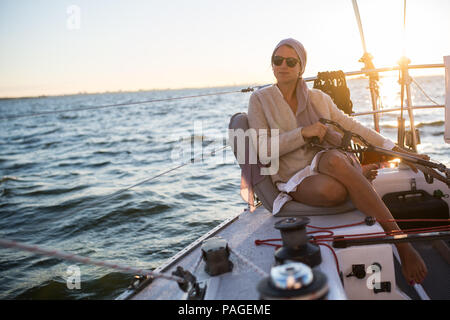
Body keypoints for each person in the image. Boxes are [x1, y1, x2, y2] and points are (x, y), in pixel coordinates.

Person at [247, 38, 427, 285]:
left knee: (334, 161)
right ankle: (355, 174)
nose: (283, 66)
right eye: (278, 60)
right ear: (272, 64)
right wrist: (304, 133)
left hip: (326, 160)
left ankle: (401, 243)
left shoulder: (319, 98)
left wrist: (397, 150)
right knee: (335, 191)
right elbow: (264, 150)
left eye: (291, 61)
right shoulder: (260, 100)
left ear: (301, 67)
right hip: (293, 175)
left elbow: (352, 126)